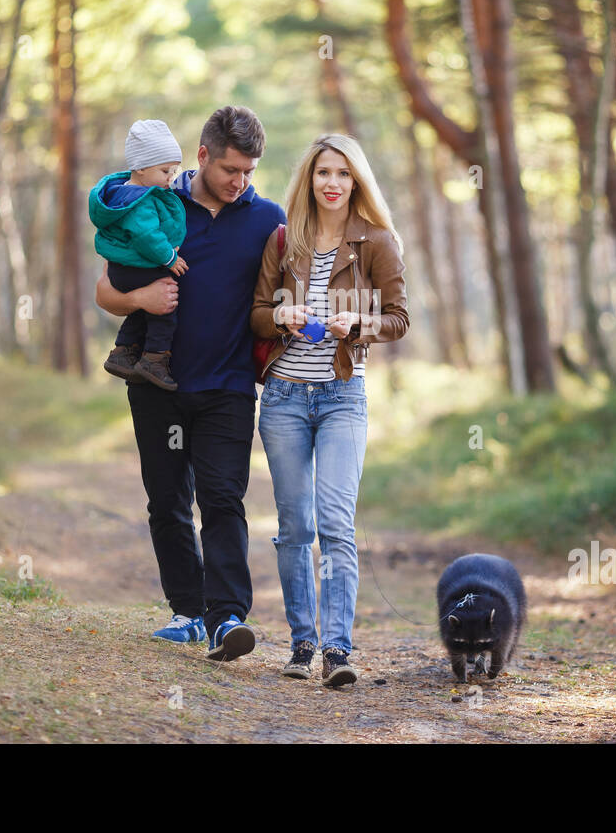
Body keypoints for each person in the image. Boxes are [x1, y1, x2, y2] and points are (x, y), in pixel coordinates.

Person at [95, 106, 285, 662]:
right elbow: (105, 291)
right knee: (167, 503)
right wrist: (140, 300)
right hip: (157, 382)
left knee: (223, 500)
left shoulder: (265, 219)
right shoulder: (157, 203)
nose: (240, 181)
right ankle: (186, 611)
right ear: (201, 157)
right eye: (231, 169)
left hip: (228, 387)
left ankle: (227, 618)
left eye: (249, 171)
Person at [250, 133, 408, 687]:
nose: (333, 183)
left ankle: (337, 650)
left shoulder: (377, 242)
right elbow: (256, 314)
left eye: (343, 173)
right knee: (296, 527)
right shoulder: (284, 239)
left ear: (356, 180)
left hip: (343, 397)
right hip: (285, 398)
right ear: (309, 180)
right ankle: (301, 644)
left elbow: (399, 318)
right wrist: (282, 315)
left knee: (336, 524)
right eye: (323, 173)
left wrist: (359, 325)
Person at [89, 119, 186, 390]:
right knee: (165, 309)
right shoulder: (139, 200)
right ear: (141, 168)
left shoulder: (126, 194)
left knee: (143, 313)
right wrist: (170, 258)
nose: (171, 177)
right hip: (137, 268)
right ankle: (154, 359)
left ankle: (122, 352)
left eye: (174, 170)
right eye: (166, 170)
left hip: (125, 268)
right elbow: (146, 236)